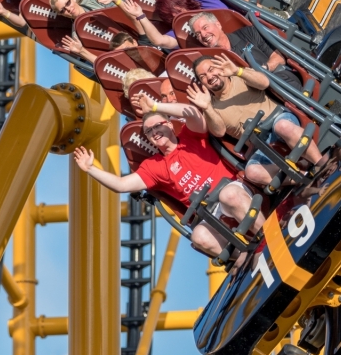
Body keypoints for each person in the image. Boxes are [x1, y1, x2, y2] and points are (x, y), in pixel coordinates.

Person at [74, 111, 261, 259]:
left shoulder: (190, 136)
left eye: (158, 126)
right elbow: (121, 185)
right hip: (210, 212)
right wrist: (91, 169)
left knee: (229, 196)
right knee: (198, 237)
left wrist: (155, 108)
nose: (154, 132)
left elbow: (194, 114)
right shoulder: (154, 166)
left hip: (231, 189)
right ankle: (242, 257)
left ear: (170, 125)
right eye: (149, 131)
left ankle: (265, 235)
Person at [190, 54, 325, 187]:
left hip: (279, 120)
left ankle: (322, 166)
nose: (209, 77)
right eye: (203, 77)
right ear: (202, 83)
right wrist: (207, 108)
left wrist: (238, 71)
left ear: (220, 67)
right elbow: (219, 132)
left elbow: (264, 82)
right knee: (252, 172)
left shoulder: (240, 76)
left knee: (282, 126)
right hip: (261, 145)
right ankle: (305, 180)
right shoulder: (211, 107)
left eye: (211, 69)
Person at [188, 11, 302, 90]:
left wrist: (263, 70)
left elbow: (279, 57)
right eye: (198, 34)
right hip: (256, 99)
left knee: (280, 81)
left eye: (205, 27)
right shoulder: (212, 63)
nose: (203, 35)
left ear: (218, 24)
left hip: (280, 79)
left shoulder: (248, 33)